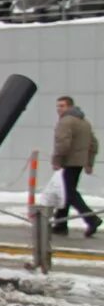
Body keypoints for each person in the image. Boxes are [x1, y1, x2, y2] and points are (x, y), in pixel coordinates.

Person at [52, 96, 100, 238]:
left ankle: (91, 219)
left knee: (68, 192)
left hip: (68, 162)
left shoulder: (66, 121)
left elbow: (63, 143)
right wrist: (89, 163)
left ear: (70, 107)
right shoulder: (84, 122)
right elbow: (94, 144)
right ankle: (60, 224)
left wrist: (57, 160)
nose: (58, 109)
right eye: (58, 106)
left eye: (62, 106)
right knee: (65, 192)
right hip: (79, 162)